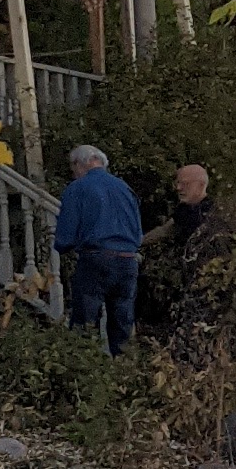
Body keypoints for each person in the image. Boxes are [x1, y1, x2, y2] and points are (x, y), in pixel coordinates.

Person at [55, 142, 144, 352]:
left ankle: (86, 373)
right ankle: (123, 374)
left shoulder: (78, 188)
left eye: (72, 168)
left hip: (96, 259)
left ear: (79, 164)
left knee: (85, 323)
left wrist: (63, 245)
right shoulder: (124, 188)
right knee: (123, 323)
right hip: (127, 260)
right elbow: (138, 232)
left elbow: (65, 237)